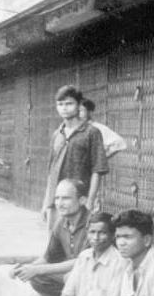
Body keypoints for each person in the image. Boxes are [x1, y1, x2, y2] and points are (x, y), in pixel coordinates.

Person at [11, 179, 90, 296]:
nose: (59, 204)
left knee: (70, 278)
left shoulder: (93, 224)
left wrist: (38, 269)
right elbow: (49, 257)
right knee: (36, 278)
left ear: (82, 200)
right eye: (57, 198)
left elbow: (82, 262)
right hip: (73, 276)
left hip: (93, 276)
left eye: (66, 198)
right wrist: (27, 268)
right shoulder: (60, 222)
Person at [42, 85, 108, 225]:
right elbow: (51, 171)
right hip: (57, 201)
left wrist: (90, 201)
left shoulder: (91, 132)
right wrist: (46, 203)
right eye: (60, 104)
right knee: (55, 236)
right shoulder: (57, 134)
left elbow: (97, 170)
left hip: (79, 199)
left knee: (78, 235)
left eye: (69, 104)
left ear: (78, 105)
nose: (64, 108)